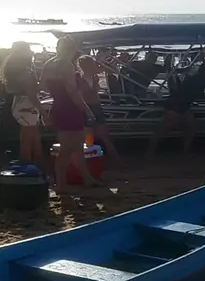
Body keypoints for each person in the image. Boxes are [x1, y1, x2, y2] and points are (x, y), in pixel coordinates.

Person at [41, 37, 101, 192]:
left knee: (77, 146)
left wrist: (57, 91)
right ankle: (61, 184)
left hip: (58, 105)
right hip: (70, 108)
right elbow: (72, 91)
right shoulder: (66, 64)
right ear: (72, 49)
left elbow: (44, 86)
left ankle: (87, 178)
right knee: (67, 149)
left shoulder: (48, 64)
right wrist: (86, 110)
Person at [145, 59, 205, 158]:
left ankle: (184, 151)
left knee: (191, 128)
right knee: (162, 131)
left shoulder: (196, 78)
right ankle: (149, 153)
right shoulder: (200, 80)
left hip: (182, 105)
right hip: (176, 106)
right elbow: (198, 94)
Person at [1, 41, 49, 169]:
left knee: (30, 137)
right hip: (26, 106)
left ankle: (34, 166)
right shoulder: (25, 72)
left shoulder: (15, 71)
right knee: (29, 139)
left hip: (21, 104)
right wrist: (43, 111)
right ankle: (30, 167)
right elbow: (31, 94)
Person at [77, 55, 122, 166]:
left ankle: (115, 162)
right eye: (93, 64)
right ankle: (94, 162)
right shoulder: (82, 79)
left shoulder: (92, 77)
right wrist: (87, 110)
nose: (95, 66)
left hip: (96, 106)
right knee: (90, 138)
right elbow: (83, 96)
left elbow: (112, 70)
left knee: (102, 136)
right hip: (89, 107)